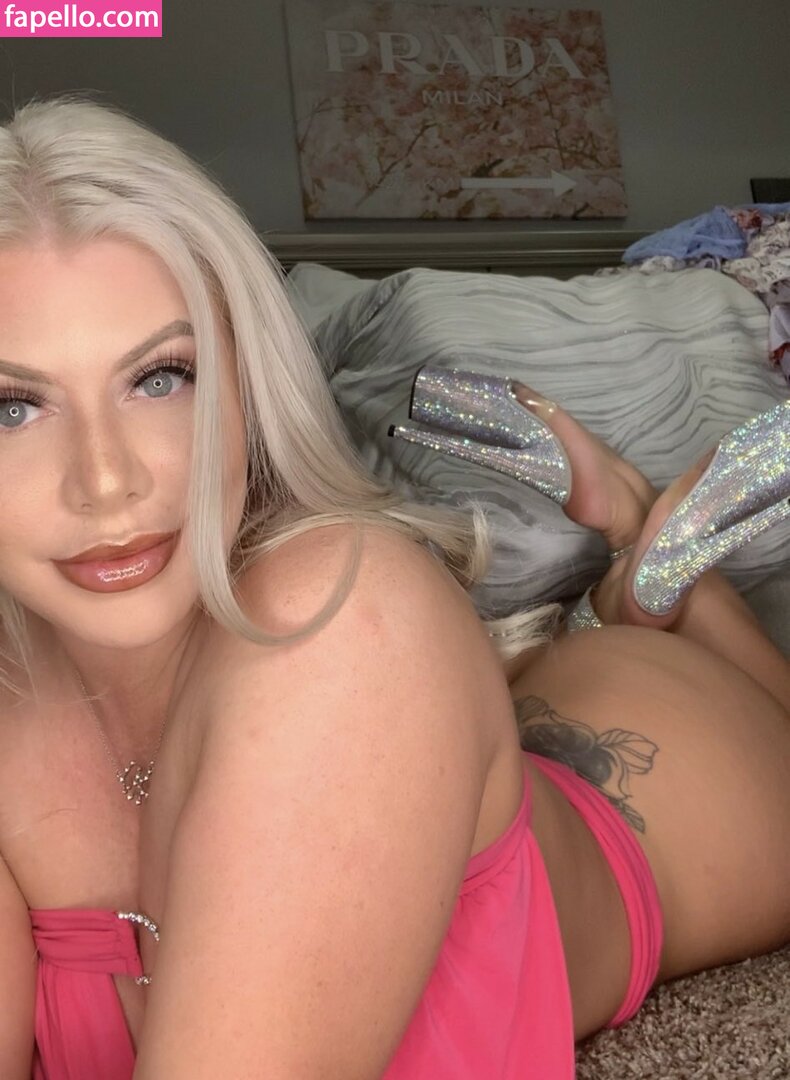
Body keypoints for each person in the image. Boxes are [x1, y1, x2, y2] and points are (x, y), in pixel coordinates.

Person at [0, 92, 786, 1080]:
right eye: (12, 406)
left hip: (670, 776)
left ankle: (650, 556)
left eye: (160, 377)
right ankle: (615, 579)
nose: (105, 481)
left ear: (249, 386)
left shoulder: (341, 615)